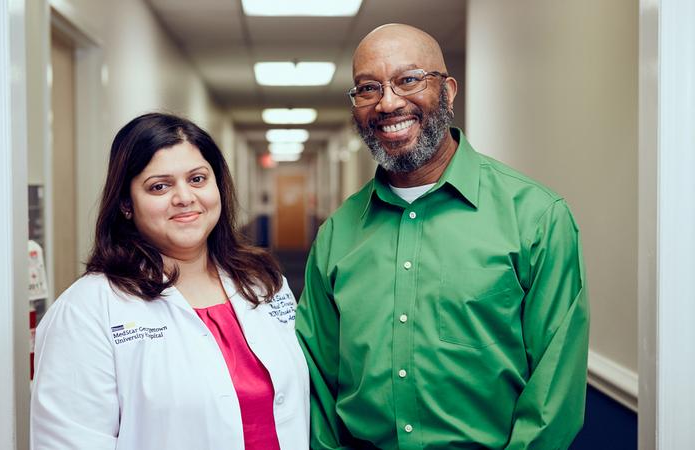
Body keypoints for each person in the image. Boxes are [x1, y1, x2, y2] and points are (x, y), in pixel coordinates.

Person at [296, 24, 589, 449]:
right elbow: (317, 384)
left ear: (448, 92)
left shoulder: (537, 218)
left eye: (409, 80)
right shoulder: (337, 235)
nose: (388, 103)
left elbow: (553, 392)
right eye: (368, 88)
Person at [31, 113, 309, 449]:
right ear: (126, 205)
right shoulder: (86, 311)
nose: (184, 197)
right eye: (159, 186)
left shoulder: (264, 282)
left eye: (197, 179)